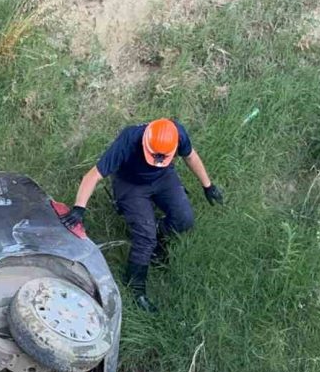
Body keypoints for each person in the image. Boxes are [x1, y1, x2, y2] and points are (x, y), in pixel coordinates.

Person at [61, 118, 223, 312]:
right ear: (146, 142)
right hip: (131, 184)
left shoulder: (177, 134)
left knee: (184, 220)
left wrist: (208, 186)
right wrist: (79, 208)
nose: (156, 160)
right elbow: (94, 175)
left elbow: (191, 157)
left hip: (164, 178)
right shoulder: (129, 138)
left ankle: (158, 238)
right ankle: (136, 285)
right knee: (145, 238)